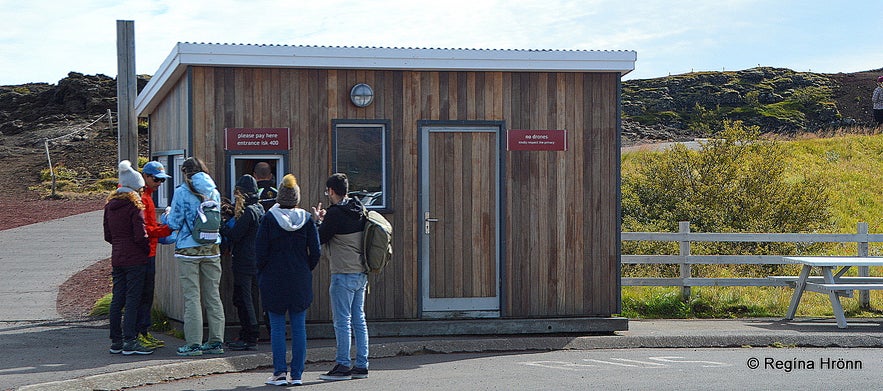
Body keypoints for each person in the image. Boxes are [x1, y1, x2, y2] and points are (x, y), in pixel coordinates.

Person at [256, 174, 320, 386]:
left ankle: (280, 373)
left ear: (279, 198)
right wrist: (306, 267)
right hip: (299, 278)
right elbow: (316, 252)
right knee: (299, 326)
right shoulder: (307, 220)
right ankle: (298, 374)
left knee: (276, 327)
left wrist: (263, 272)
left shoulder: (268, 218)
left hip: (274, 278)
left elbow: (260, 252)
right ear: (297, 198)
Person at [165, 157, 226, 356]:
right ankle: (216, 341)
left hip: (188, 250)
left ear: (185, 173)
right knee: (213, 296)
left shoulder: (182, 192)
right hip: (212, 247)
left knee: (192, 297)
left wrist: (166, 215)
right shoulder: (213, 191)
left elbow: (174, 222)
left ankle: (193, 344)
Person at [313, 173, 369, 381]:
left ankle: (343, 365)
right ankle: (362, 365)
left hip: (343, 273)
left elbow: (321, 237)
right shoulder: (359, 209)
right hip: (361, 272)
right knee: (359, 319)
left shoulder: (336, 213)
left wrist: (319, 221)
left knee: (342, 321)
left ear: (331, 191)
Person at [103, 160, 154, 355]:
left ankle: (116, 340)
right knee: (133, 299)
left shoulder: (110, 206)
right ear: (135, 187)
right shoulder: (135, 206)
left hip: (118, 257)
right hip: (135, 259)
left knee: (118, 298)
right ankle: (130, 340)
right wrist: (145, 248)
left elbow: (107, 235)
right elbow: (140, 235)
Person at [221, 174, 265, 351]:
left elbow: (235, 235)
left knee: (243, 298)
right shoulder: (259, 208)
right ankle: (250, 333)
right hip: (256, 259)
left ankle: (250, 335)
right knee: (252, 297)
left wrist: (221, 226)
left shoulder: (248, 212)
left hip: (244, 260)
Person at [135, 161, 173, 350]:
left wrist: (162, 228)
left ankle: (143, 331)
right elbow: (147, 229)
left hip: (149, 251)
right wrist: (167, 229)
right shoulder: (142, 198)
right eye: (157, 180)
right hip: (145, 253)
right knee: (143, 295)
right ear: (146, 177)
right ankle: (139, 333)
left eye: (162, 181)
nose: (159, 183)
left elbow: (150, 226)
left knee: (147, 294)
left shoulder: (147, 197)